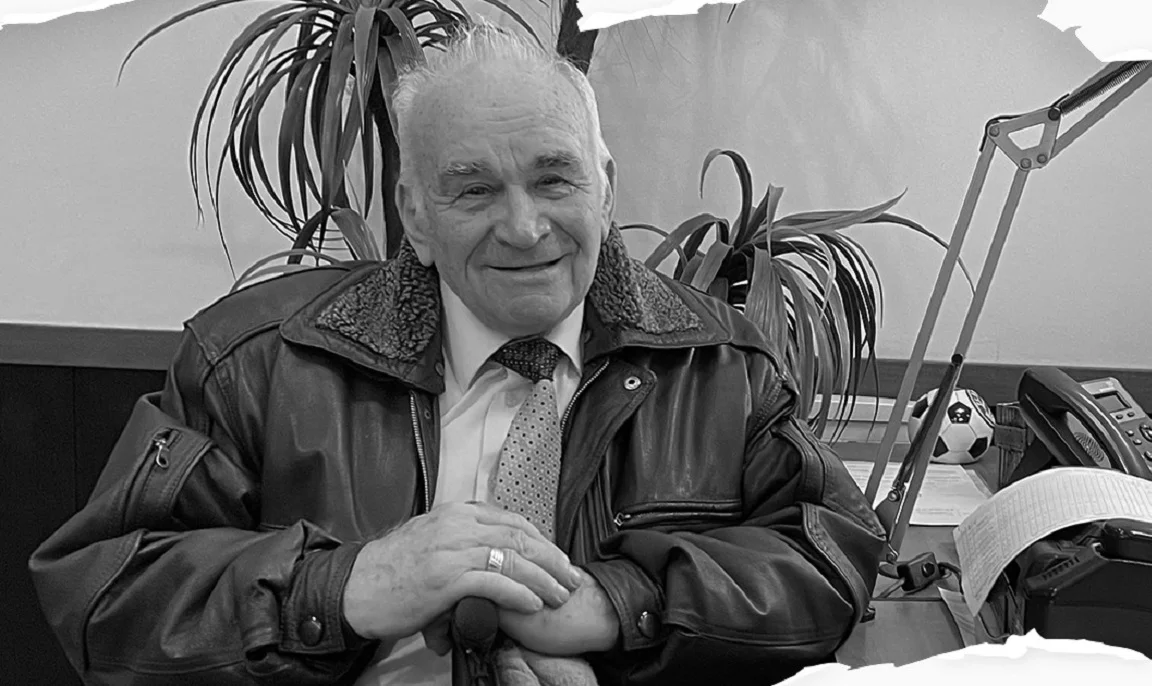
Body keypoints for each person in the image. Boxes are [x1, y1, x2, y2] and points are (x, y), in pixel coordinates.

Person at [29, 20, 885, 686]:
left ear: (606, 187)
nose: (524, 227)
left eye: (555, 178)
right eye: (473, 189)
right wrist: (345, 588)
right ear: (414, 213)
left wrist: (621, 604)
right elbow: (106, 596)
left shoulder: (722, 364)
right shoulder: (254, 361)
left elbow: (830, 558)